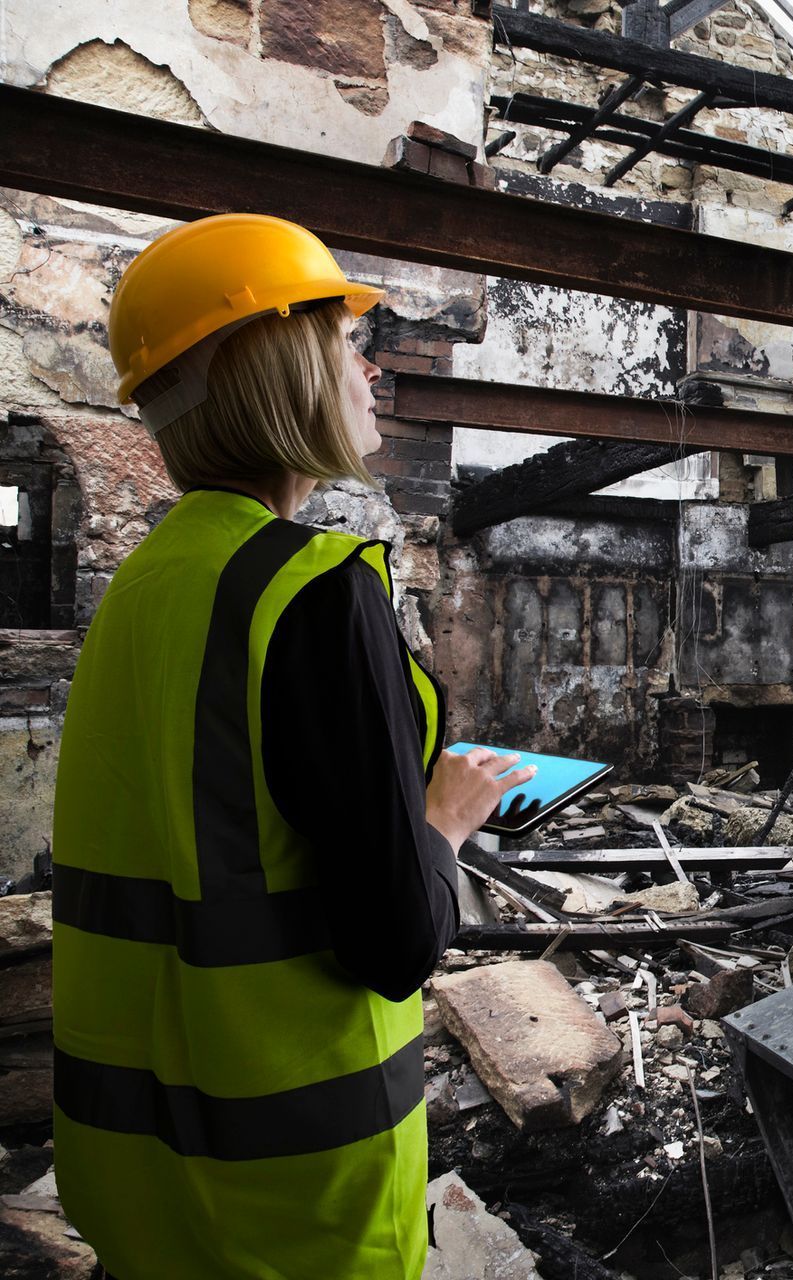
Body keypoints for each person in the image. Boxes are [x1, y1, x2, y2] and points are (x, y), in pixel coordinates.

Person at [51, 213, 535, 1278]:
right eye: (339, 338)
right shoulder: (314, 590)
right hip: (292, 1198)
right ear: (274, 368)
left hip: (137, 1175)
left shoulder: (144, 585)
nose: (368, 366)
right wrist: (442, 819)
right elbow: (394, 939)